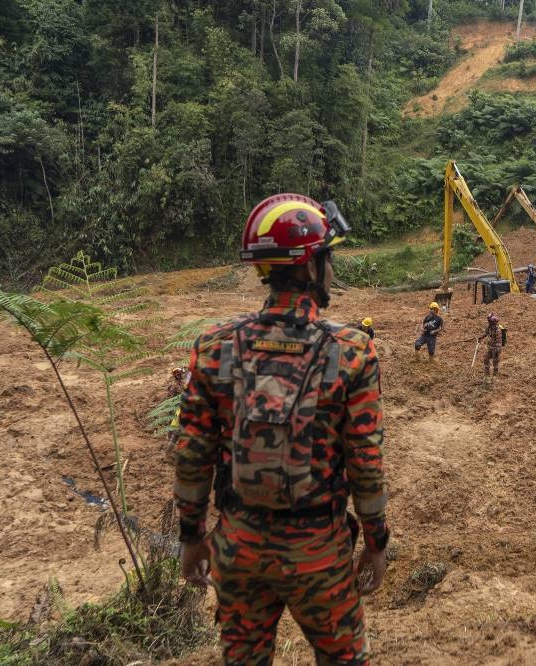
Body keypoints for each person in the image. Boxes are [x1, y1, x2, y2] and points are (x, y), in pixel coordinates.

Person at [174, 193, 389, 666]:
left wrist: (191, 537)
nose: (332, 271)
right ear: (311, 268)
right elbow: (366, 463)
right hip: (320, 558)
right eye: (328, 259)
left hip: (238, 551)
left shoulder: (214, 347)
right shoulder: (352, 351)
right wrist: (376, 543)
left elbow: (191, 454)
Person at [477, 312, 504, 377]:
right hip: (491, 347)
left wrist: (496, 351)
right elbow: (486, 333)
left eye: (489, 321)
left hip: (496, 349)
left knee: (495, 363)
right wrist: (480, 338)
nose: (488, 322)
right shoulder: (489, 327)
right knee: (486, 360)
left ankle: (494, 376)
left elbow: (499, 342)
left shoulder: (497, 330)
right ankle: (487, 376)